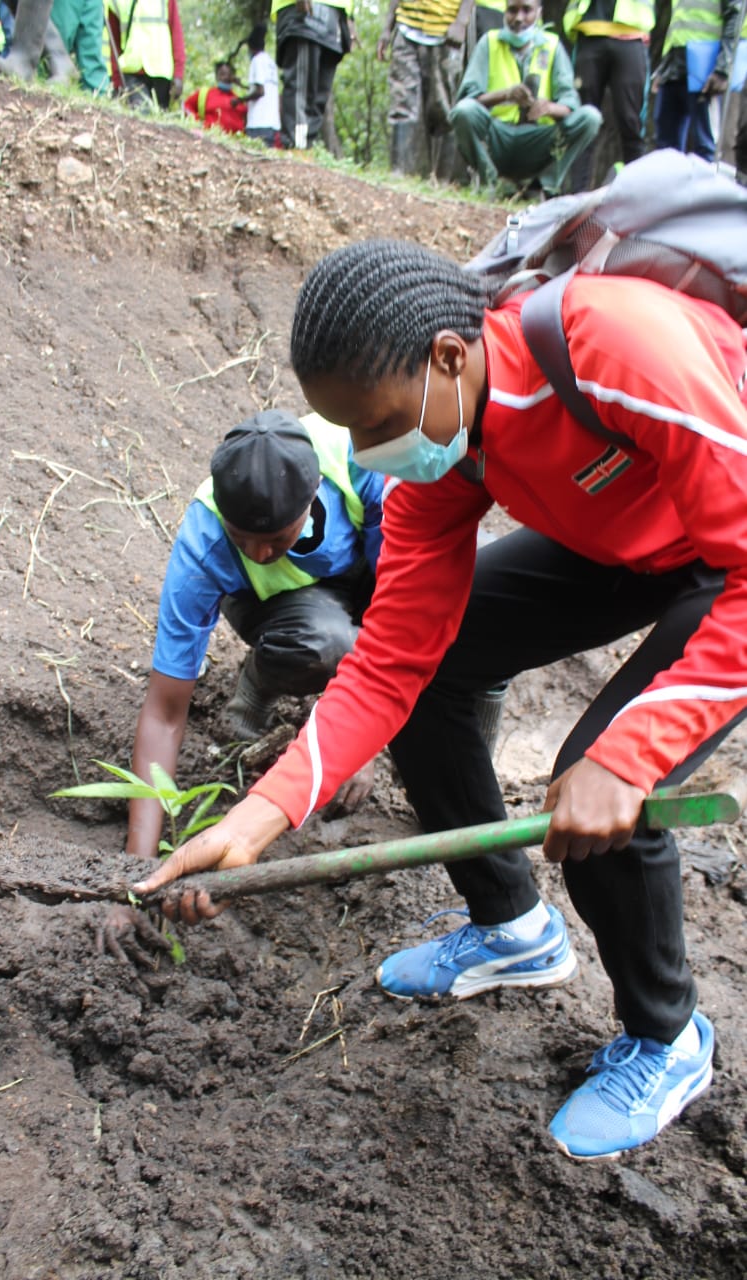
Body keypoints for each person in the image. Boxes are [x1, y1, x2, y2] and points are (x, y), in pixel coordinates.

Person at [135, 237, 747, 1162]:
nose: (374, 454)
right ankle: (512, 928)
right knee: (435, 671)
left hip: (727, 554)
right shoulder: (439, 454)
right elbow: (389, 660)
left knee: (604, 782)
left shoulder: (618, 350)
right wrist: (261, 815)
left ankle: (666, 1040)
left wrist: (626, 758)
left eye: (376, 426)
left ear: (448, 359)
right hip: (622, 540)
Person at [124, 408, 384, 872]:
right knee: (326, 643)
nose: (259, 554)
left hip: (366, 571)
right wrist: (135, 869)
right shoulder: (202, 542)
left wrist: (366, 739)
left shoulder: (359, 459)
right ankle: (262, 678)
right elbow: (164, 712)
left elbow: (404, 603)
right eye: (241, 538)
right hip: (285, 612)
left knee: (474, 581)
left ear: (310, 498)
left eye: (274, 538)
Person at [448, 0, 602, 197]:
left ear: (539, 12)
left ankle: (544, 186)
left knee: (590, 117)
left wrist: (548, 108)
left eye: (526, 10)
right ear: (505, 12)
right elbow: (467, 98)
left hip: (538, 139)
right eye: (512, 10)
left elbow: (570, 104)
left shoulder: (552, 45)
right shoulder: (490, 41)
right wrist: (505, 95)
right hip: (496, 136)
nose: (519, 18)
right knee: (464, 111)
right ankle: (489, 181)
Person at [563, 0, 655, 190]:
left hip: (632, 33)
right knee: (582, 121)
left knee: (632, 122)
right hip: (589, 30)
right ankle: (575, 200)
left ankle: (636, 197)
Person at [376, 0, 468, 178]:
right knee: (402, 102)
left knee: (443, 109)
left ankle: (442, 182)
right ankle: (399, 173)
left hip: (446, 33)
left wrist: (461, 22)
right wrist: (387, 27)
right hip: (406, 28)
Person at [653, 0, 744, 161]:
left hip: (704, 70)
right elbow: (679, 24)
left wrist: (722, 69)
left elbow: (735, 18)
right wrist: (664, 67)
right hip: (674, 67)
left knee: (704, 145)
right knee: (665, 149)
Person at [271, 0, 356, 150]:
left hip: (335, 14)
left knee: (319, 96)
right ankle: (295, 147)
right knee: (301, 87)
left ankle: (306, 148)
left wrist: (349, 17)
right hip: (302, 11)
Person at [106, 0, 184, 112]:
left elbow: (176, 34)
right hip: (132, 71)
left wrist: (178, 75)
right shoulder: (116, 2)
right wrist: (117, 81)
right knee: (141, 114)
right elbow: (114, 43)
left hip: (162, 73)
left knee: (159, 121)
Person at [240, 22, 282, 146]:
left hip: (258, 122)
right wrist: (240, 84)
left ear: (251, 47)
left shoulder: (256, 61)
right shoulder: (270, 63)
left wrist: (240, 100)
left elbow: (260, 91)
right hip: (272, 123)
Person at [184, 61, 248, 135]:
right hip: (210, 137)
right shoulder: (205, 93)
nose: (226, 77)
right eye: (222, 74)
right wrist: (197, 121)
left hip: (235, 141)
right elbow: (186, 106)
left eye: (229, 74)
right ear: (217, 76)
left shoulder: (240, 100)